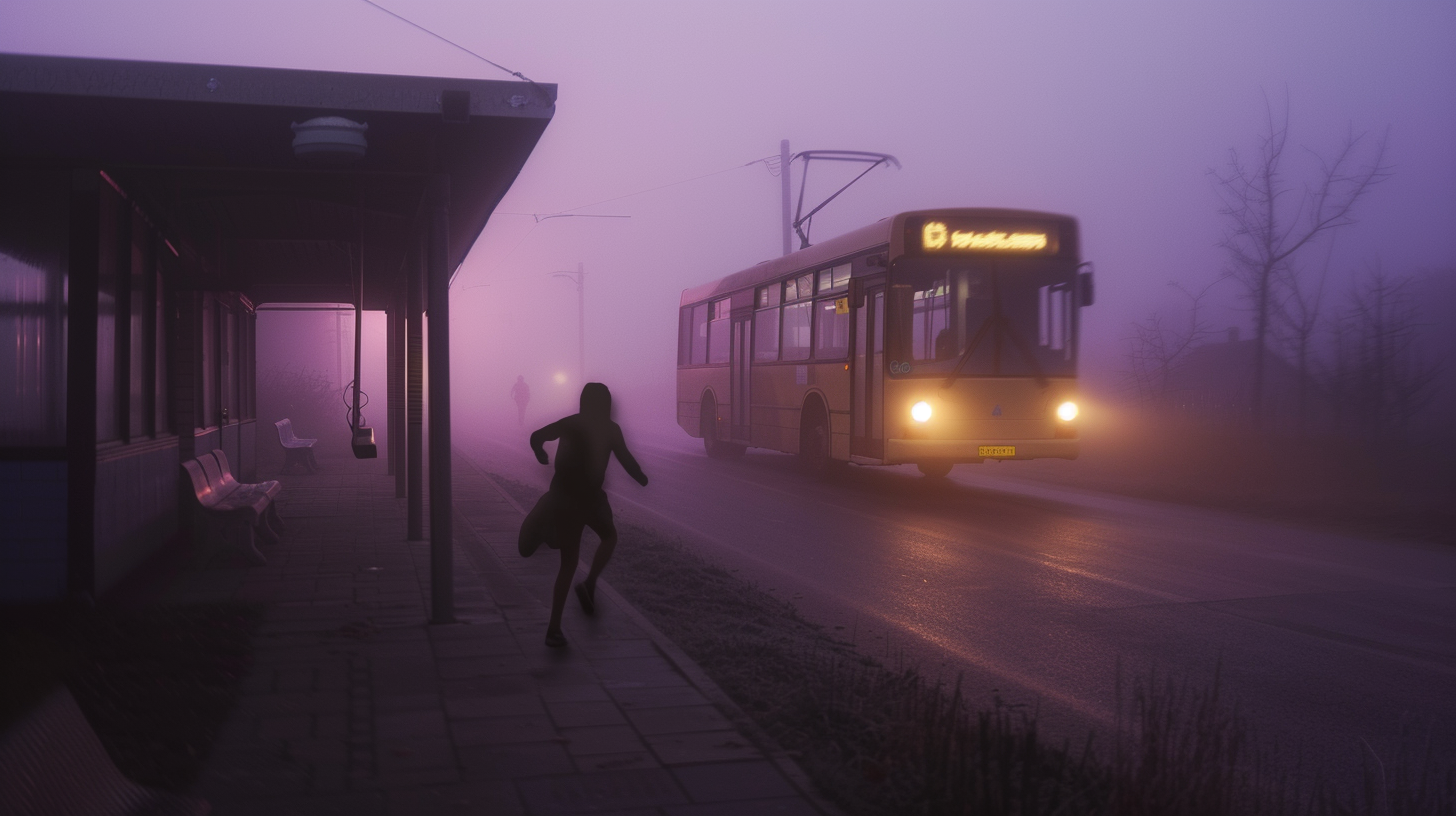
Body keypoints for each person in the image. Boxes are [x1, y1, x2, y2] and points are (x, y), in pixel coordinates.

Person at [518, 382, 648, 648]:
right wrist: (642, 478)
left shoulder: (572, 423)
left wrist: (540, 451)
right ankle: (585, 587)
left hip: (574, 498)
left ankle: (556, 625)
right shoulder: (610, 429)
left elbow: (536, 436)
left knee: (571, 560)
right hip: (581, 500)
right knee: (606, 538)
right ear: (606, 405)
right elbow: (627, 460)